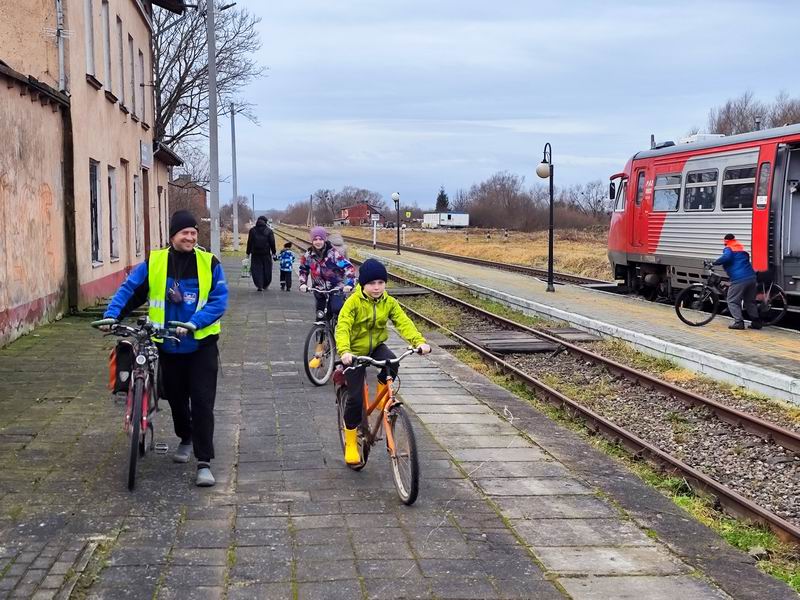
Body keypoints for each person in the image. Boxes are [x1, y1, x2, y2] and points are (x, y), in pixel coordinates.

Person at [101, 210, 228, 486]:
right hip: (168, 346)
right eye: (185, 233)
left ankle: (204, 462)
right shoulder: (155, 261)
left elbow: (219, 300)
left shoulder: (209, 263)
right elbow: (130, 289)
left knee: (203, 402)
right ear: (173, 235)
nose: (190, 237)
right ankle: (186, 437)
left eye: (194, 232)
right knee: (176, 400)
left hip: (201, 346)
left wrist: (195, 322)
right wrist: (113, 315)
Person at [335, 258, 431, 465]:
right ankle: (351, 442)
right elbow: (342, 326)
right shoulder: (353, 303)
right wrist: (344, 351)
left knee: (392, 361)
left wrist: (419, 341)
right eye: (371, 283)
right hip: (353, 351)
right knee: (355, 400)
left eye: (380, 282)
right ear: (363, 285)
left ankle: (382, 398)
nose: (377, 287)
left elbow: (403, 321)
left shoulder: (389, 302)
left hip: (376, 347)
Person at [298, 226, 355, 319]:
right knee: (320, 315)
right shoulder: (309, 255)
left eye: (320, 239)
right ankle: (320, 332)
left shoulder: (333, 254)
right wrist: (302, 283)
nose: (318, 242)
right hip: (319, 290)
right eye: (315, 239)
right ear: (312, 241)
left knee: (336, 309)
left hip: (335, 289)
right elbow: (303, 269)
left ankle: (338, 329)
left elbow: (349, 267)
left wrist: (349, 284)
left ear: (324, 240)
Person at [712, 233, 762, 330]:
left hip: (739, 279)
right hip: (751, 277)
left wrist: (714, 262)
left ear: (726, 241)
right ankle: (756, 323)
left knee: (732, 300)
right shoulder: (740, 248)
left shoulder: (729, 248)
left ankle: (739, 322)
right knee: (750, 301)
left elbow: (726, 257)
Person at [246, 216, 276, 291]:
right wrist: (274, 252)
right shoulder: (269, 231)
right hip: (266, 253)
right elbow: (272, 242)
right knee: (267, 269)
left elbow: (249, 242)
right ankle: (265, 284)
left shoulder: (252, 230)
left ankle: (259, 285)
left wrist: (248, 253)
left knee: (256, 269)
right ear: (265, 222)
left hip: (255, 254)